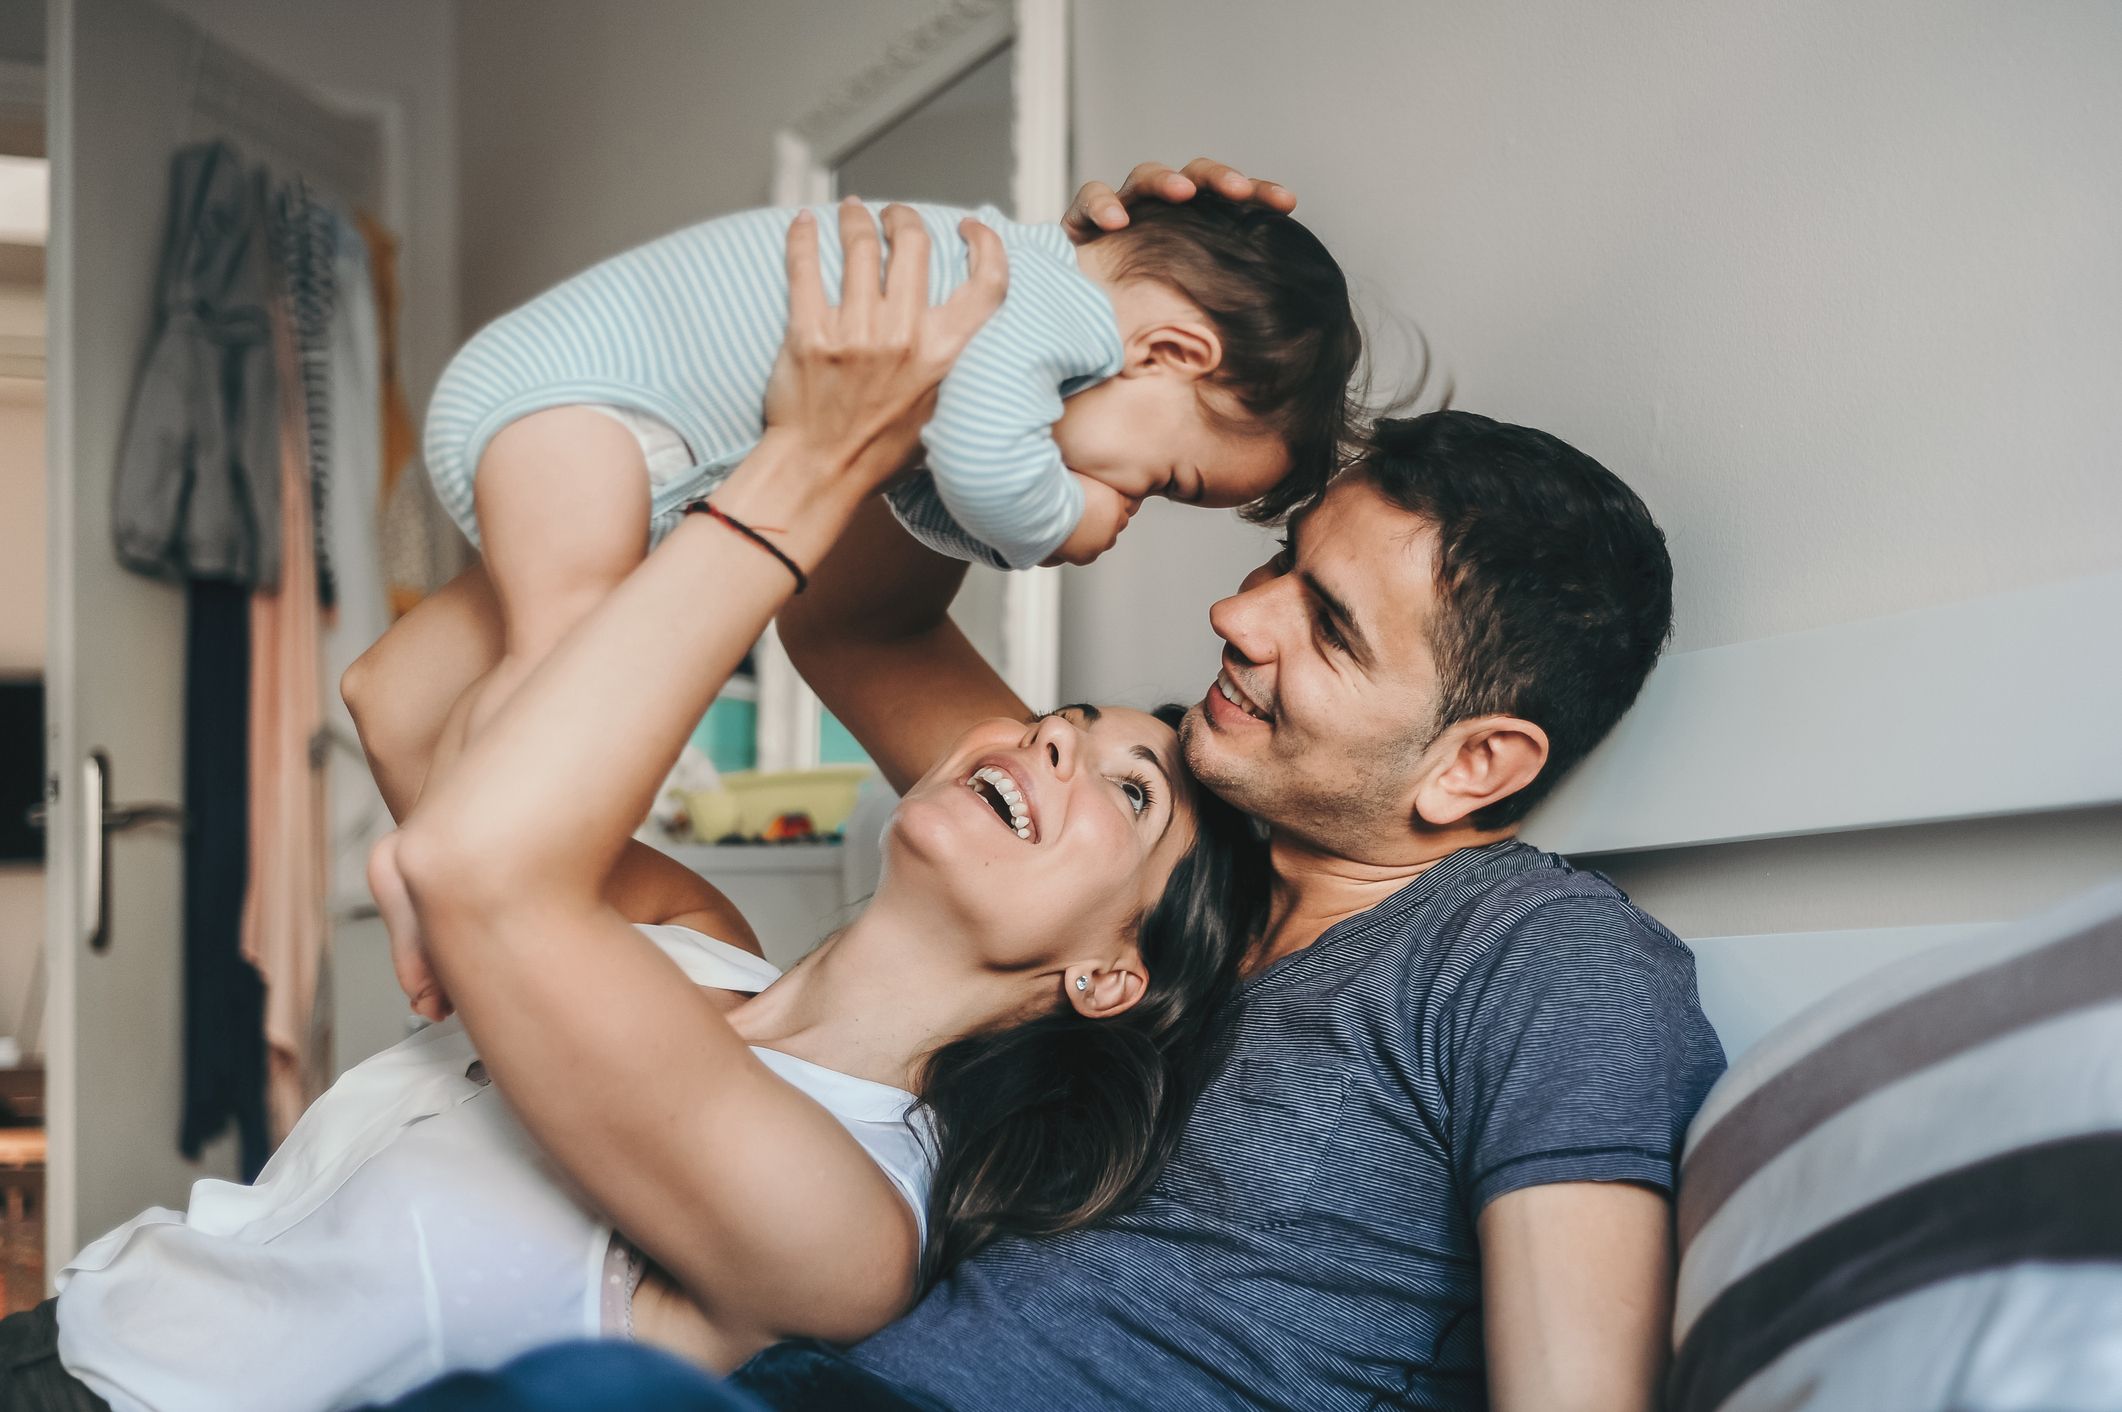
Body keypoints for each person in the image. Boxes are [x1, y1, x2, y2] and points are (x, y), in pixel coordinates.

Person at [374, 158, 1728, 1412]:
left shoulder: (1539, 961)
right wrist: (1070, 298)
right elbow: (857, 625)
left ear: (1473, 764)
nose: (1234, 619)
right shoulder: (1131, 848)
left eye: (1324, 625)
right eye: (1275, 569)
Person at [0, 202, 1267, 1412]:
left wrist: (806, 458)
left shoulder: (853, 1220)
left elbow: (473, 863)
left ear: (1110, 973)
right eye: (1062, 721)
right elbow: (400, 697)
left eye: (1127, 787)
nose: (1049, 738)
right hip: (78, 1316)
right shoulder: (682, 926)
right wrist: (1024, 311)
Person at [346, 188, 1359, 1027]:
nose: (1237, 613)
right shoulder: (1032, 302)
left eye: (1333, 620)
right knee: (558, 650)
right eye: (1167, 480)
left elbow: (922, 497)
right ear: (1171, 351)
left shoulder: (844, 1182)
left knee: (556, 653)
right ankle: (445, 833)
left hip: (584, 421)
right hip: (584, 413)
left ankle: (445, 834)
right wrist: (1062, 512)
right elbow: (952, 493)